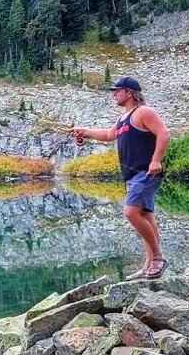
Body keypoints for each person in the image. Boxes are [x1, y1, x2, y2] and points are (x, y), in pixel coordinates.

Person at [68, 76, 171, 279]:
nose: (114, 94)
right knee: (146, 217)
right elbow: (108, 135)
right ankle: (149, 265)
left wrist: (156, 160)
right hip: (132, 175)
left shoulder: (144, 112)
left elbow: (164, 133)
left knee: (131, 213)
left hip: (146, 172)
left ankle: (158, 258)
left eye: (117, 90)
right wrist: (85, 132)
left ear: (130, 93)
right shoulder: (123, 118)